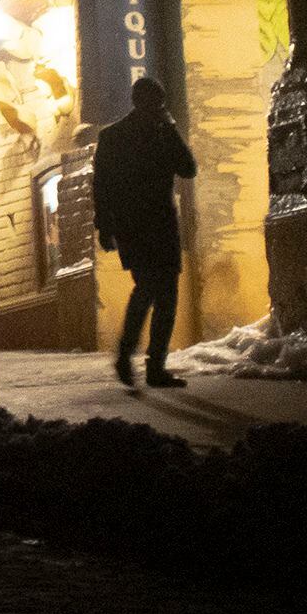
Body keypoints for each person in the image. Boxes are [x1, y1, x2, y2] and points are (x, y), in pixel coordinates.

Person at [94, 74, 202, 388]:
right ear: (142, 102)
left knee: (161, 293)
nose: (158, 108)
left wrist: (169, 128)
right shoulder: (115, 136)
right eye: (155, 103)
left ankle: (148, 364)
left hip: (152, 225)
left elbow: (188, 168)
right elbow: (102, 186)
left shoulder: (155, 133)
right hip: (140, 226)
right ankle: (136, 358)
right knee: (151, 289)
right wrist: (105, 226)